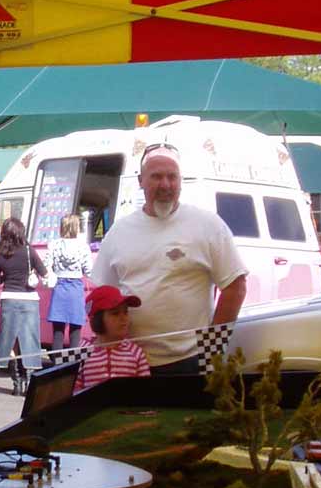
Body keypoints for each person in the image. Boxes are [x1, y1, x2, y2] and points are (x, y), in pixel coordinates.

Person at [92, 145, 247, 374]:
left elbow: (236, 287)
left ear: (180, 181)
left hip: (193, 360)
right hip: (131, 362)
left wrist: (212, 349)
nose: (165, 185)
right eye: (156, 177)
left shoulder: (208, 225)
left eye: (172, 177)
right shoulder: (118, 233)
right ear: (140, 181)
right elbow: (103, 294)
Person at [0, 217, 47, 395]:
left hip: (9, 299)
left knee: (11, 340)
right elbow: (43, 272)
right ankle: (29, 380)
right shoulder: (29, 252)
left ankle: (16, 384)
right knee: (30, 339)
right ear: (20, 232)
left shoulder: (0, 255)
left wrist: (6, 275)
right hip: (29, 300)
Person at [74, 285, 151, 391]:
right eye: (115, 313)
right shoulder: (82, 350)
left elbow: (146, 390)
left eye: (125, 312)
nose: (123, 318)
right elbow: (74, 388)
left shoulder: (135, 352)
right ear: (97, 320)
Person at [45, 212, 92, 353]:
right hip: (76, 288)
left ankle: (56, 366)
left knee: (57, 332)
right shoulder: (83, 246)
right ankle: (73, 366)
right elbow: (88, 270)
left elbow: (47, 265)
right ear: (76, 227)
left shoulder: (54, 245)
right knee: (75, 329)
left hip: (59, 287)